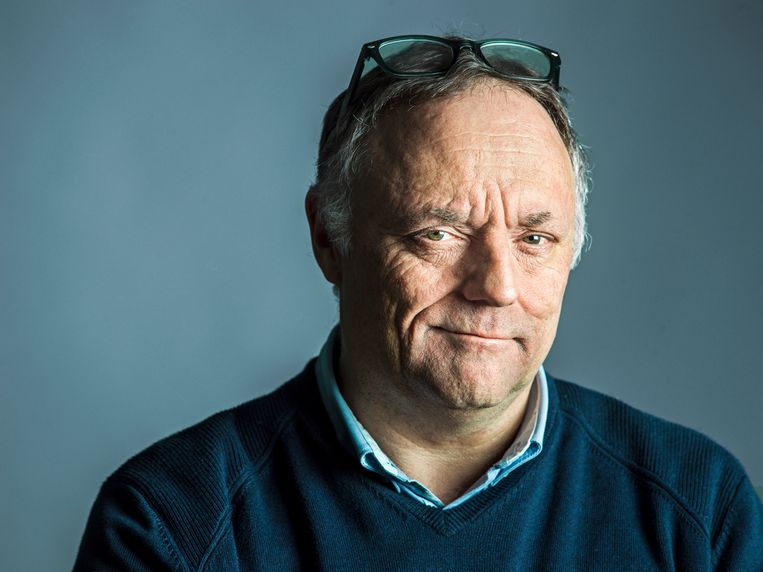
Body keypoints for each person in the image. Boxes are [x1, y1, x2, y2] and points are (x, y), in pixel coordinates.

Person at [74, 35, 763, 571]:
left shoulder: (698, 509)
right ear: (329, 238)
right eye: (438, 233)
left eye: (534, 238)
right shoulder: (172, 522)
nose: (496, 286)